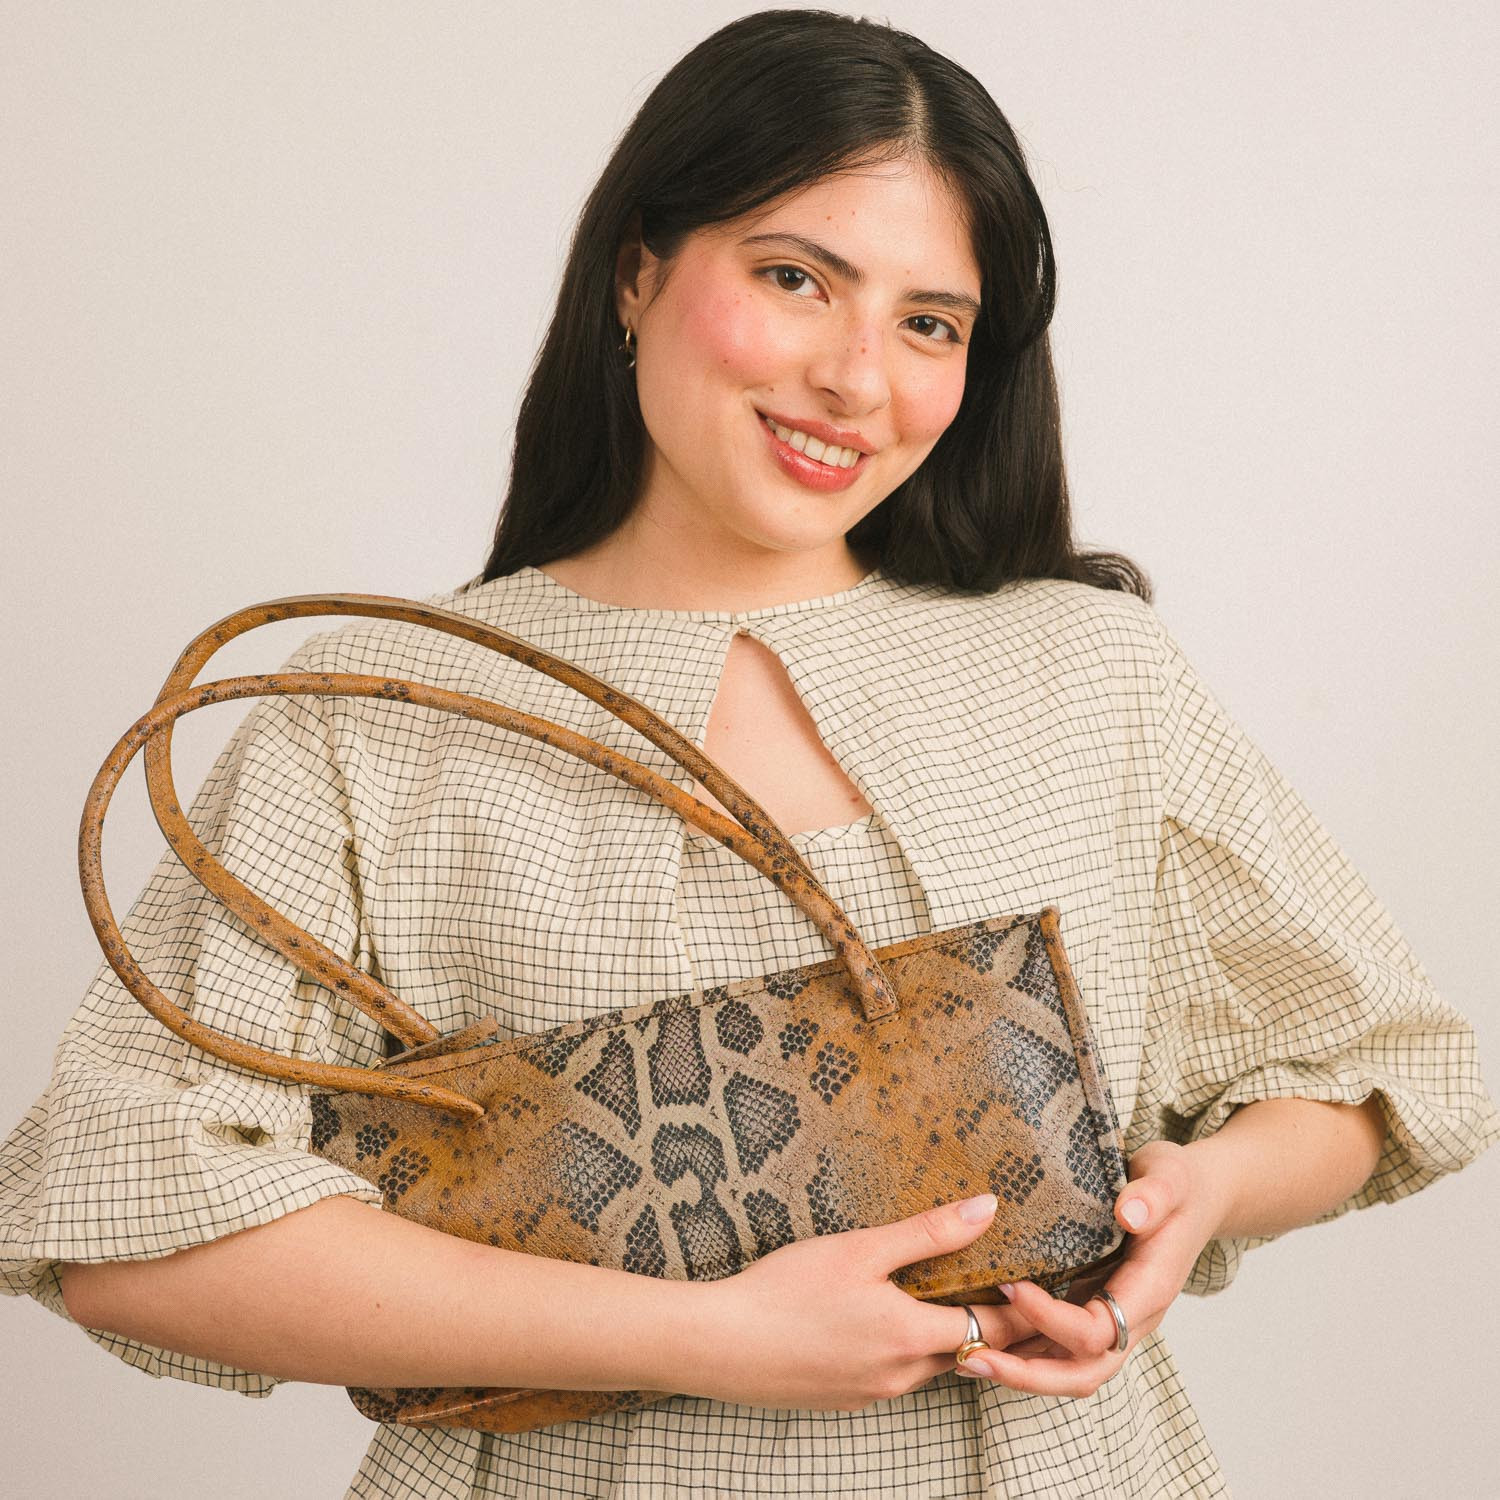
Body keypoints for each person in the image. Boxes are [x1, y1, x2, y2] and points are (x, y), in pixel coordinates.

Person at [2, 9, 1496, 1497]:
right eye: (796, 278)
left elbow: (1378, 1066)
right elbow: (120, 1224)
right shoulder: (374, 712)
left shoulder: (1092, 668)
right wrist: (706, 1338)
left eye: (930, 324)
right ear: (636, 273)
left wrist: (1199, 1194)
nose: (857, 378)